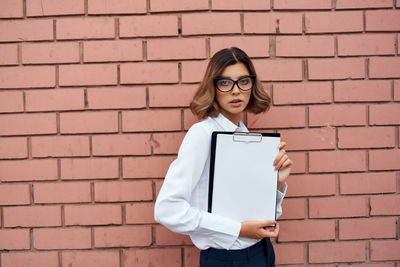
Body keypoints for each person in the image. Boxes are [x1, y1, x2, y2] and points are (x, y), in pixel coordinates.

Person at [154, 47, 293, 267]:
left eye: (243, 81)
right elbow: (166, 209)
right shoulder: (202, 135)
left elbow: (256, 212)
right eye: (226, 83)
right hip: (226, 259)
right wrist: (237, 229)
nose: (236, 91)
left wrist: (277, 183)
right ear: (214, 87)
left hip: (262, 253)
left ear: (252, 85)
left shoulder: (247, 137)